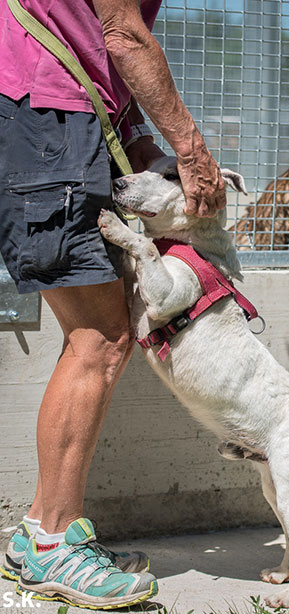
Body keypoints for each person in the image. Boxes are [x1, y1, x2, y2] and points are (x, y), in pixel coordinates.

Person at [0, 0, 227, 609]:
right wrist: (190, 149)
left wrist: (139, 140)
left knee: (101, 336)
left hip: (58, 116)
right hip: (47, 117)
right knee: (99, 339)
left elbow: (93, 48)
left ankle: (37, 534)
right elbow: (123, 34)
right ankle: (52, 544)